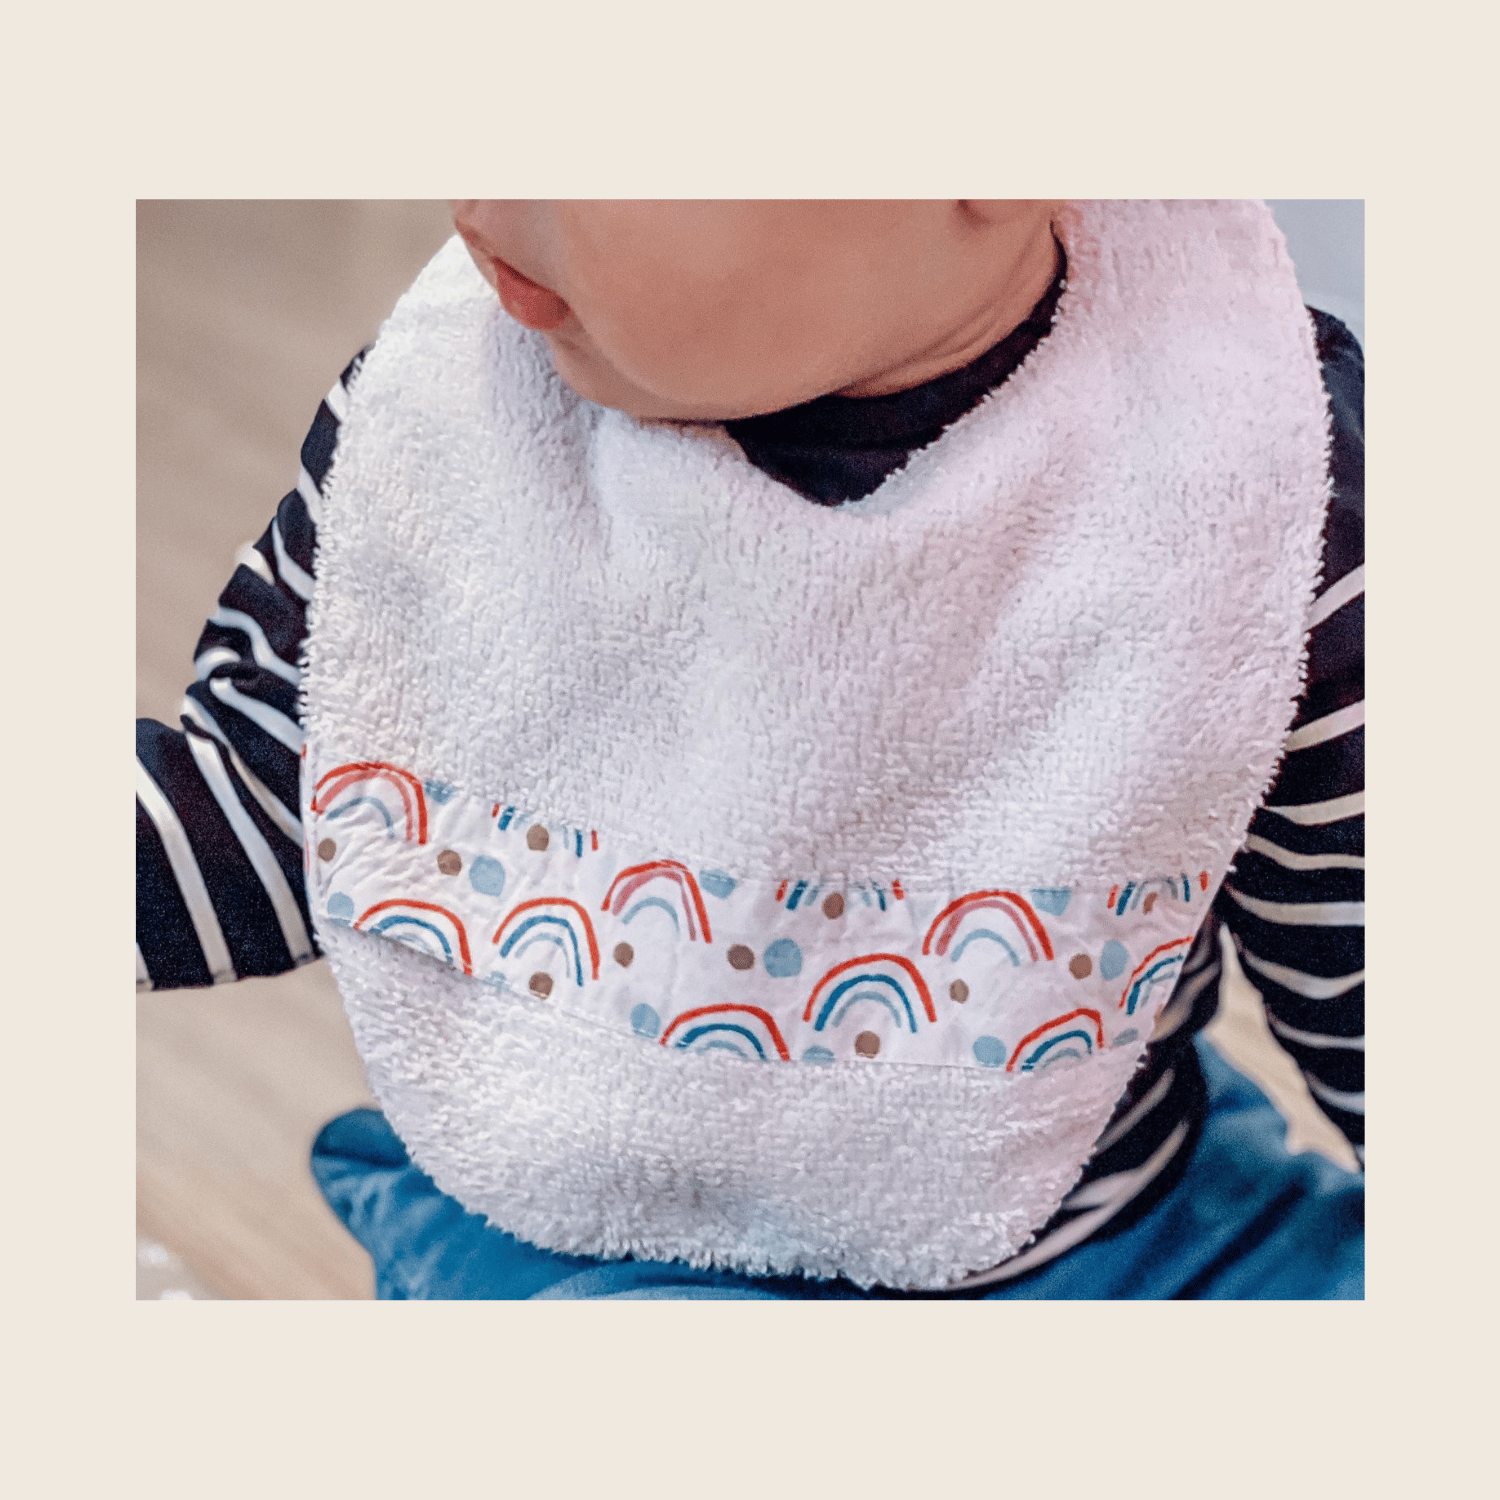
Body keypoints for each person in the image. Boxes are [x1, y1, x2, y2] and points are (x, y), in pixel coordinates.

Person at [136, 201, 1363, 1299]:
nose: (481, 196)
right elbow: (269, 801)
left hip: (1137, 1234)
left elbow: (1363, 952)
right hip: (602, 1244)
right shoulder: (453, 426)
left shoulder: (1245, 468)